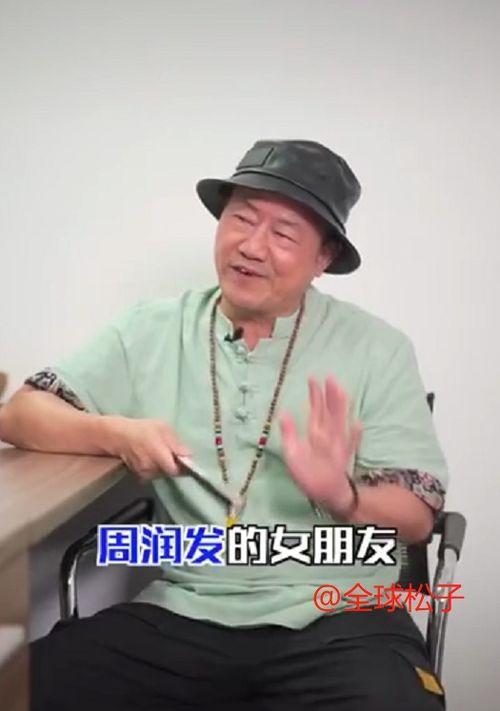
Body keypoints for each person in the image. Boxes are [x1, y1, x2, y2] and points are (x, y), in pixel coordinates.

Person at [0, 139, 448, 710]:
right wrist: (118, 433)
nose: (252, 246)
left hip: (344, 615)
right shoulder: (152, 328)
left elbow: (416, 517)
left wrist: (344, 496)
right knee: (26, 687)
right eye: (241, 218)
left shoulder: (378, 349)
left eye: (283, 233)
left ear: (324, 257)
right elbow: (21, 413)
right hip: (187, 608)